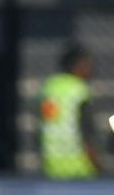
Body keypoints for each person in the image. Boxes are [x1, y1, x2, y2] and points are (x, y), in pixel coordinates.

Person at [39, 44, 98, 179]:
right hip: (78, 167)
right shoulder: (79, 90)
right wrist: (96, 163)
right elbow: (86, 132)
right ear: (79, 66)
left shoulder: (49, 87)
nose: (91, 70)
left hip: (51, 166)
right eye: (88, 65)